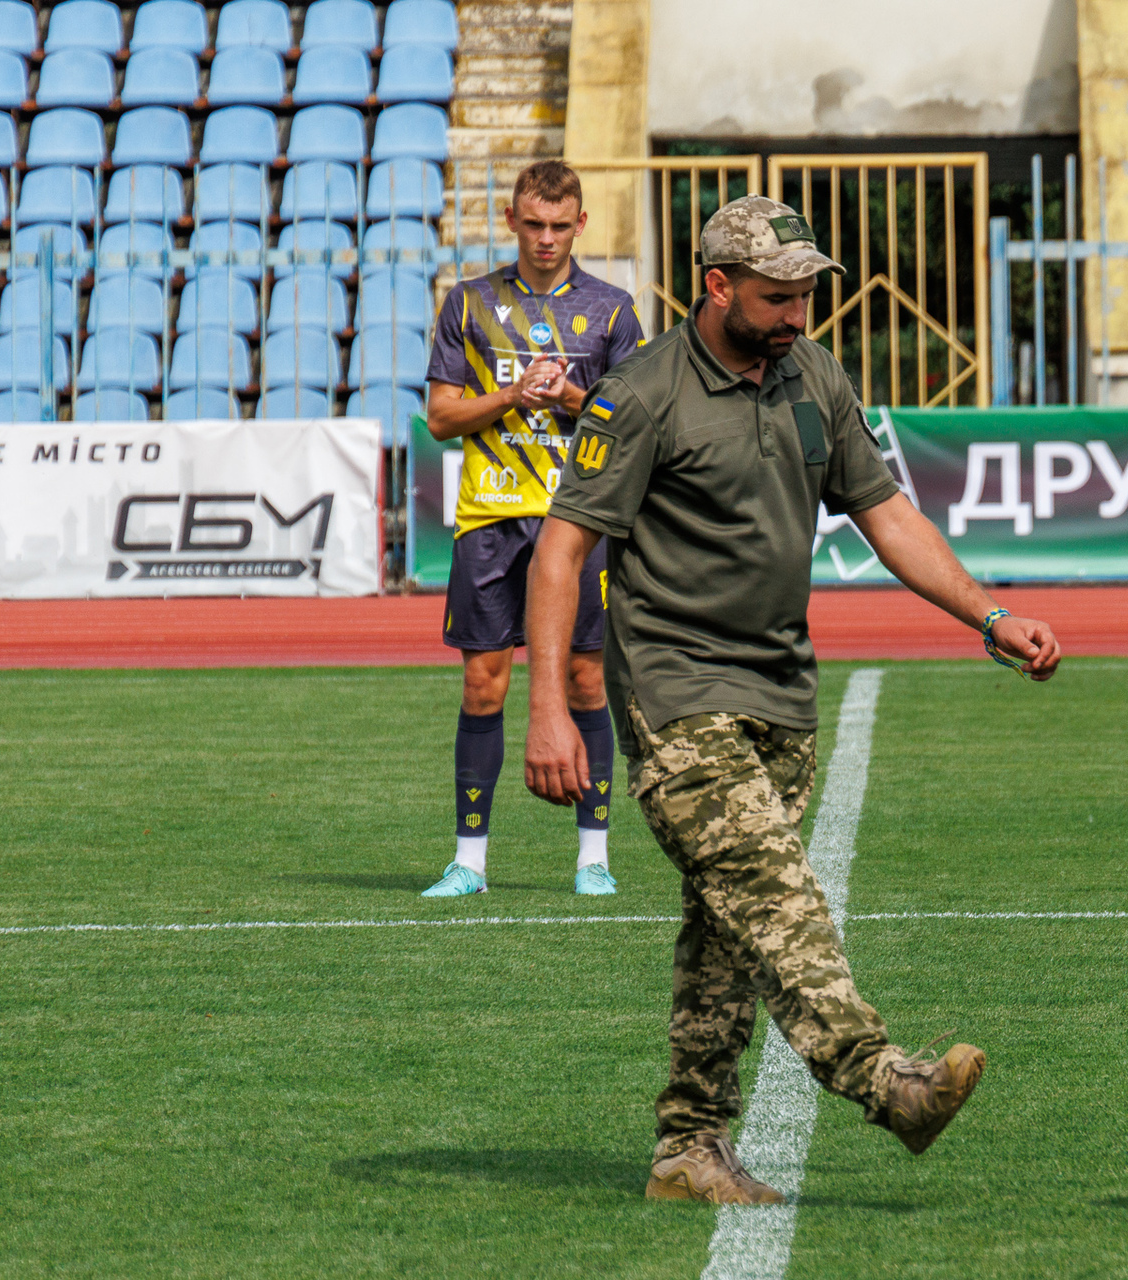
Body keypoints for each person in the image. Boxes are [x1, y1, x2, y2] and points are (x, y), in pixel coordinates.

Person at [521, 195, 1062, 1203]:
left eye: (808, 292)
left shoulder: (813, 372)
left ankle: (689, 1145)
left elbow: (885, 512)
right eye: (777, 296)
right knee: (777, 896)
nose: (797, 313)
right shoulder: (639, 395)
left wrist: (989, 616)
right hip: (678, 693)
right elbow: (562, 550)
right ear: (715, 285)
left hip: (782, 691)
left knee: (728, 925)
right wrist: (550, 708)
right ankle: (885, 1078)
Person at [419, 160, 645, 899]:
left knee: (586, 679)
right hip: (489, 517)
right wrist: (515, 392)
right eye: (533, 224)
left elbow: (634, 424)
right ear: (513, 222)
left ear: (581, 225)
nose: (546, 239)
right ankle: (469, 863)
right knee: (484, 684)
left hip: (578, 521)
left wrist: (570, 395)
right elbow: (442, 417)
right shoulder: (470, 303)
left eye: (560, 226)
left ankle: (593, 858)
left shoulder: (612, 310)